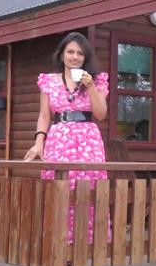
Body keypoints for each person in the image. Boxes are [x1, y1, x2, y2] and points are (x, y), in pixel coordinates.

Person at [23, 32, 109, 244]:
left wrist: (90, 87)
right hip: (58, 140)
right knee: (59, 190)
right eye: (70, 52)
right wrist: (38, 143)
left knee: (88, 191)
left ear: (85, 57)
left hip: (88, 141)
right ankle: (58, 246)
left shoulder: (97, 81)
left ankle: (86, 248)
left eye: (80, 53)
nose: (74, 57)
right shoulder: (49, 82)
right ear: (62, 55)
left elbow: (101, 114)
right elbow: (44, 115)